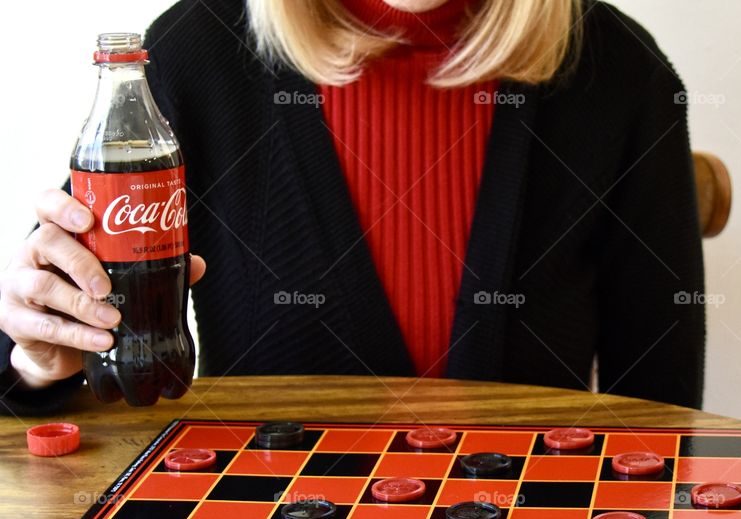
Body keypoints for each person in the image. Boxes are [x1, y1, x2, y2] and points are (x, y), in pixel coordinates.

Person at [0, 0, 705, 416]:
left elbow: (663, 417)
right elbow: (35, 359)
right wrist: (37, 358)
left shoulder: (620, 72)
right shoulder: (194, 53)